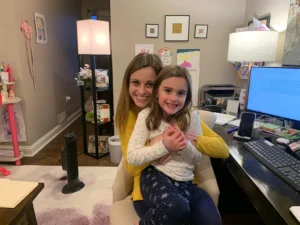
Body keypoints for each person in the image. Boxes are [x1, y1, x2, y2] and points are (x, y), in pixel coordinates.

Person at [115, 53, 229, 224]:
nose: (141, 91)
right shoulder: (137, 117)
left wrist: (191, 141)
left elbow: (222, 149)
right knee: (176, 209)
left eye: (150, 84)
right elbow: (132, 164)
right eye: (135, 82)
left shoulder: (188, 116)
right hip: (152, 183)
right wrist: (162, 144)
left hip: (185, 180)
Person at [127, 65, 203, 225]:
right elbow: (132, 157)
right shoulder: (146, 116)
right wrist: (165, 146)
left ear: (187, 96)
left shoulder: (192, 116)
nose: (174, 98)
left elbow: (197, 157)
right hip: (155, 174)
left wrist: (184, 143)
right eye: (168, 90)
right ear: (157, 93)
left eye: (181, 93)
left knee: (186, 216)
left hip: (184, 178)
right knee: (177, 209)